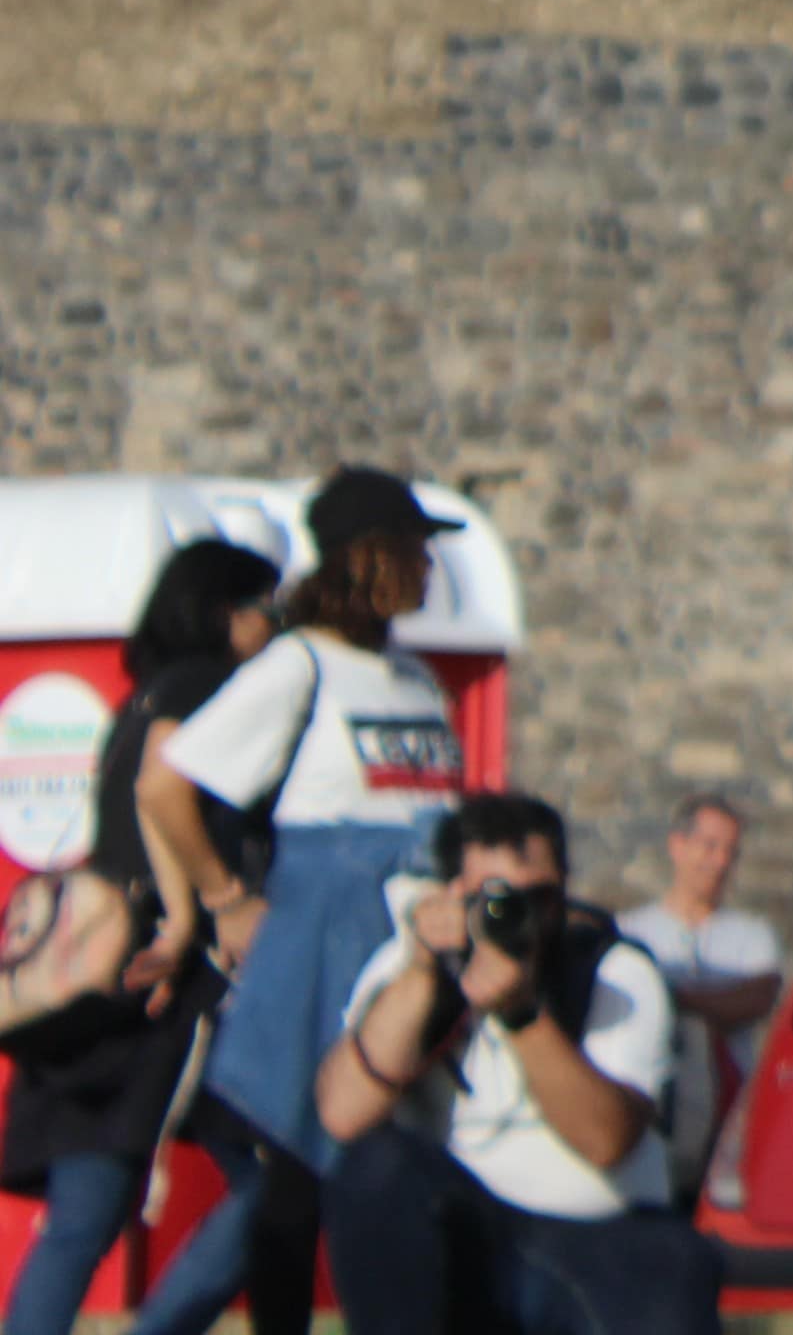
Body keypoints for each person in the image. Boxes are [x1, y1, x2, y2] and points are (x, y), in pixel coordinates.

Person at [148, 469, 481, 1330]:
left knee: (396, 1162)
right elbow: (166, 785)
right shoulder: (299, 662)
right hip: (327, 927)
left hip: (415, 932)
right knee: (293, 1170)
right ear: (370, 557)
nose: (429, 568)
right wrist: (226, 900)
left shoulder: (413, 675)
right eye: (416, 550)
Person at [314, 790, 723, 1335]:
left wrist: (522, 1014)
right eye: (494, 898)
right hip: (471, 1238)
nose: (516, 916)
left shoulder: (613, 973)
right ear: (452, 892)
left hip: (596, 1240)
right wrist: (422, 973)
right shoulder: (410, 965)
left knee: (673, 1269)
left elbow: (606, 1139)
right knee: (376, 1165)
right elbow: (342, 1113)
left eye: (539, 898)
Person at [3, 537, 282, 1335]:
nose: (274, 626)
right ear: (224, 613)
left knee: (86, 1207)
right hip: (164, 969)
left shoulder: (147, 691)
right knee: (276, 1174)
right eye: (265, 608)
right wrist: (196, 912)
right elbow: (162, 790)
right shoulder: (203, 685)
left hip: (115, 968)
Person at [609, 797, 779, 1216]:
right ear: (678, 846)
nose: (720, 862)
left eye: (730, 851)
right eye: (709, 846)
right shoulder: (631, 930)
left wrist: (671, 996)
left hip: (725, 1113)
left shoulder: (752, 935)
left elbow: (755, 999)